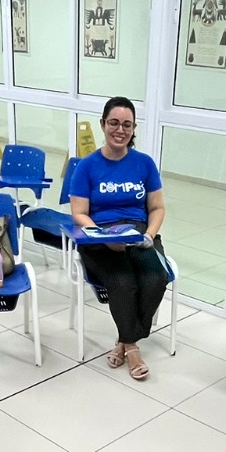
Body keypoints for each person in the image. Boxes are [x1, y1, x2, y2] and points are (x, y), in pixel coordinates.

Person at [68, 97, 168, 381]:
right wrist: (103, 237)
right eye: (114, 123)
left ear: (134, 127)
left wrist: (149, 234)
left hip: (137, 233)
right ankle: (133, 347)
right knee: (123, 282)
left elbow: (158, 207)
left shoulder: (144, 164)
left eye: (127, 124)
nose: (120, 130)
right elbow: (79, 213)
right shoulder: (87, 167)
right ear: (103, 124)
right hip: (99, 235)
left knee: (155, 278)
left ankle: (124, 340)